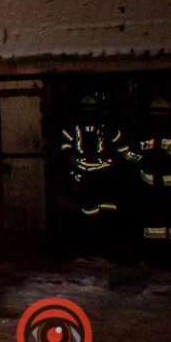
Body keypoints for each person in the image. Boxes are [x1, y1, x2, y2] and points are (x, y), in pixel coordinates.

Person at [58, 92, 137, 253]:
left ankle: (106, 248)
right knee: (86, 217)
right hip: (84, 182)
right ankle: (89, 248)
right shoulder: (71, 130)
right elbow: (64, 150)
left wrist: (133, 161)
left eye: (92, 109)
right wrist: (72, 159)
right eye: (86, 110)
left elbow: (124, 151)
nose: (89, 113)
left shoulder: (109, 129)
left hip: (106, 181)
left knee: (108, 217)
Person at [132, 97, 171, 260]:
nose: (159, 117)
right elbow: (131, 154)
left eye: (163, 113)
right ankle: (153, 257)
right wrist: (137, 165)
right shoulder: (142, 132)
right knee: (152, 227)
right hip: (149, 189)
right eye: (155, 113)